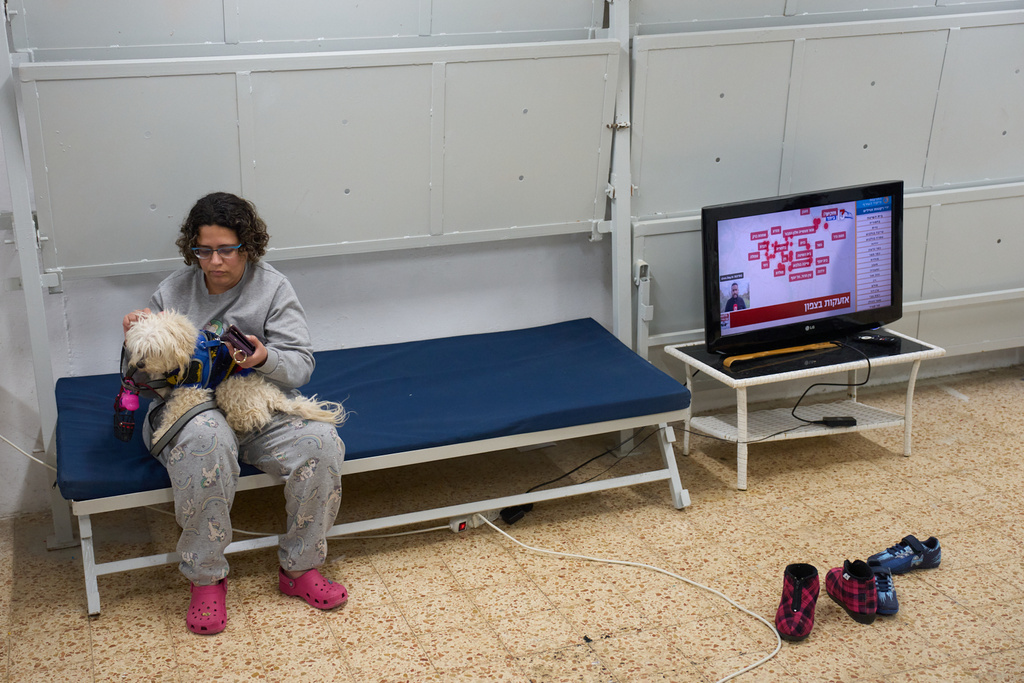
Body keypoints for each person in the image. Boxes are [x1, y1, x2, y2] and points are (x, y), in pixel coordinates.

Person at [122, 192, 347, 635]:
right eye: (203, 250)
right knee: (209, 439)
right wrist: (138, 340)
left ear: (248, 245)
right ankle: (206, 578)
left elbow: (301, 366)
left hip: (252, 400)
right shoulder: (172, 291)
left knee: (320, 443)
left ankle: (300, 568)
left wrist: (263, 358)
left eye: (226, 249)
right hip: (188, 410)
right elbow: (148, 384)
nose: (214, 261)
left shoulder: (273, 287)